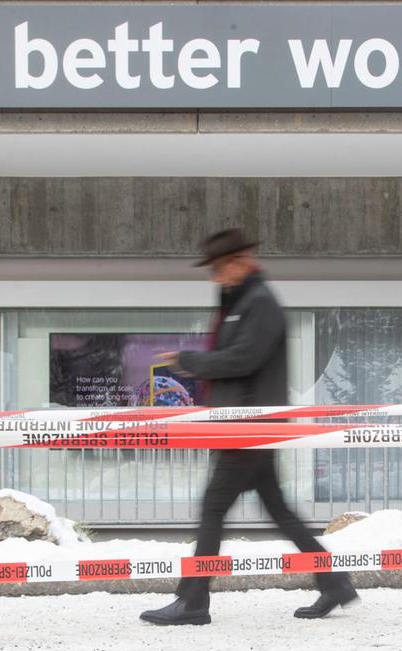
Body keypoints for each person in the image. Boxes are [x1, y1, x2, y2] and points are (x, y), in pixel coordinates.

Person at [139, 228, 359, 626]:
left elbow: (243, 358)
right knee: (279, 512)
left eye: (220, 269)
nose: (215, 278)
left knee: (212, 509)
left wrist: (190, 361)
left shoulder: (261, 303)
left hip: (249, 427)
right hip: (244, 425)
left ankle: (193, 601)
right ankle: (334, 582)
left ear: (241, 261)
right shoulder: (242, 300)